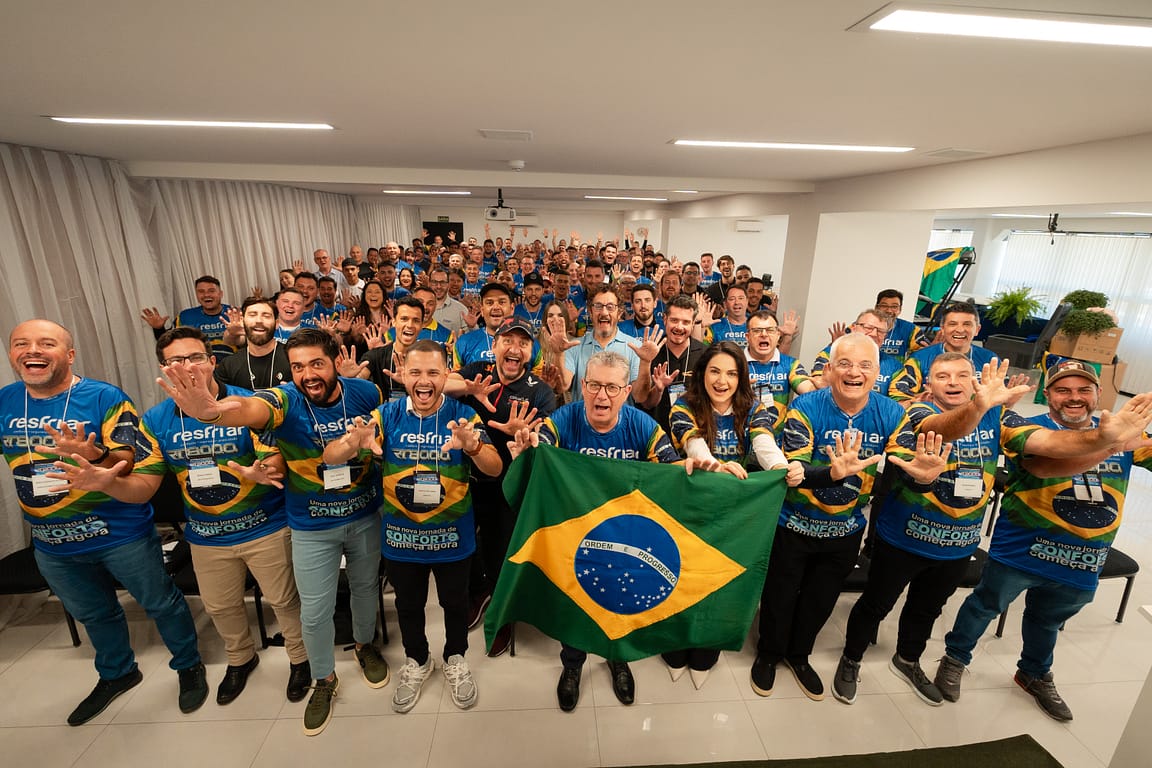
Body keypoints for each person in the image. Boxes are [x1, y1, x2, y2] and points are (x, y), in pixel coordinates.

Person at [56, 327, 310, 706]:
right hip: (206, 535)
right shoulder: (156, 421)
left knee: (285, 602)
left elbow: (273, 460)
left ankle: (300, 660)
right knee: (221, 607)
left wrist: (265, 471)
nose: (186, 367)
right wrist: (107, 483)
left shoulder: (244, 404)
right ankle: (240, 659)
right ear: (164, 368)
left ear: (212, 362)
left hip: (264, 527)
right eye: (176, 360)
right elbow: (144, 487)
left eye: (194, 358)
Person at [157, 328, 388, 736]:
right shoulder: (285, 400)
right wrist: (212, 412)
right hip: (311, 526)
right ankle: (324, 678)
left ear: (335, 362)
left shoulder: (366, 393)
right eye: (297, 367)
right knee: (314, 610)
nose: (308, 375)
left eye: (317, 364)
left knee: (366, 589)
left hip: (364, 515)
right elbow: (250, 407)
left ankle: (364, 645)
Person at [1, 319, 206, 725]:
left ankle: (188, 665)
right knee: (95, 614)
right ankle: (117, 673)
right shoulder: (6, 401)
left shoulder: (103, 398)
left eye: (46, 343)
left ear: (69, 355)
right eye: (21, 343)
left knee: (160, 602)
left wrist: (95, 457)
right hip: (52, 542)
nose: (32, 350)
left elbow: (128, 461)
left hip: (119, 534)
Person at [934, 359, 1152, 721]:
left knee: (1048, 620)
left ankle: (1033, 673)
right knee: (985, 605)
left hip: (1083, 556)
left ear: (1099, 393)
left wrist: (1119, 437)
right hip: (1023, 547)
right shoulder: (1025, 427)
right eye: (1063, 390)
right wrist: (1111, 444)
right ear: (1047, 395)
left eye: (1084, 389)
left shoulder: (1123, 432)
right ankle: (955, 659)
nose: (1074, 397)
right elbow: (1042, 463)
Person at [506, 351, 721, 711]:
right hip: (574, 536)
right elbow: (538, 453)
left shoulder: (643, 426)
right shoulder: (563, 419)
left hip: (626, 538)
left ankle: (617, 659)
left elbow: (671, 471)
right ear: (583, 385)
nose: (601, 395)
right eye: (593, 385)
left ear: (626, 391)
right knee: (575, 604)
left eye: (611, 387)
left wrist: (697, 470)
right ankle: (572, 665)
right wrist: (523, 453)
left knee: (619, 603)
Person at [751, 332, 948, 701]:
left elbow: (909, 469)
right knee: (779, 596)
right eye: (844, 363)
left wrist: (924, 478)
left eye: (864, 365)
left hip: (846, 531)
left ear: (877, 372)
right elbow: (795, 471)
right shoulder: (806, 406)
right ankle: (769, 654)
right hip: (793, 524)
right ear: (829, 369)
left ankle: (799, 655)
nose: (854, 372)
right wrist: (832, 473)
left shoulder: (892, 413)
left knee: (820, 600)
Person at [324, 339, 501, 713]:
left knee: (455, 604)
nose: (424, 380)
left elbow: (495, 467)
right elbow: (331, 456)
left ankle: (455, 658)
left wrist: (472, 447)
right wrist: (352, 443)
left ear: (446, 376)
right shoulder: (386, 415)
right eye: (416, 372)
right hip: (401, 538)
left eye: (433, 372)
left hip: (453, 537)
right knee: (408, 605)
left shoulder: (462, 416)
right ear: (403, 373)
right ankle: (418, 660)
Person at [664, 342, 802, 687]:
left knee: (718, 580)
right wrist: (716, 465)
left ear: (741, 378)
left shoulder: (754, 408)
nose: (722, 381)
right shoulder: (683, 405)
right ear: (702, 374)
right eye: (714, 371)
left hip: (731, 514)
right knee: (682, 576)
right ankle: (675, 645)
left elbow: (764, 443)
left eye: (731, 373)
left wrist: (783, 468)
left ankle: (706, 648)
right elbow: (694, 446)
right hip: (688, 509)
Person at [448, 317, 558, 657]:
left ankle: (501, 612)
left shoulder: (539, 391)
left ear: (531, 352)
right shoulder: (477, 372)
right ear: (494, 346)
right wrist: (470, 390)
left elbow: (547, 438)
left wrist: (522, 434)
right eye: (507, 341)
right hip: (463, 478)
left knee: (500, 551)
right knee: (463, 546)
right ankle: (479, 593)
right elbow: (441, 383)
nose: (514, 348)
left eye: (523, 343)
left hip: (509, 485)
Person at [558, 285, 657, 405]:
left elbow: (640, 397)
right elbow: (562, 386)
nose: (604, 312)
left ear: (619, 313)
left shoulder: (635, 347)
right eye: (598, 306)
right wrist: (558, 353)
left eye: (610, 307)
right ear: (590, 312)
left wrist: (646, 362)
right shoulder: (574, 347)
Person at [890, 302, 996, 402]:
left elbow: (1000, 399)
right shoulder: (919, 358)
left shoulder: (990, 360)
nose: (960, 330)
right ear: (943, 329)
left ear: (977, 329)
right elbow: (899, 398)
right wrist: (929, 397)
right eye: (952, 324)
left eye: (967, 324)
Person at [640, 295, 706, 434]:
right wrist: (658, 389)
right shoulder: (651, 352)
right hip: (658, 433)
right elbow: (646, 403)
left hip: (695, 433)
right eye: (674, 320)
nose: (679, 327)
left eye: (686, 322)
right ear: (665, 319)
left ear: (693, 324)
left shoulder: (705, 354)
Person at [745, 311, 814, 433]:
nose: (764, 334)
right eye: (757, 330)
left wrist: (825, 384)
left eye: (770, 330)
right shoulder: (734, 363)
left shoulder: (790, 364)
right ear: (747, 337)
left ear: (778, 335)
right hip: (743, 437)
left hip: (778, 438)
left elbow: (808, 390)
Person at [141, 275, 243, 358]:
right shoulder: (185, 316)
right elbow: (169, 343)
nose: (206, 295)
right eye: (201, 291)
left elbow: (248, 342)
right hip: (199, 367)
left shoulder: (236, 313)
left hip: (234, 365)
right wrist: (158, 329)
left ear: (220, 294)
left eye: (211, 291)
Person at [811, 309, 903, 394]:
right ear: (854, 328)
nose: (874, 334)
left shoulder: (895, 366)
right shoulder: (828, 354)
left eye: (881, 331)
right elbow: (816, 386)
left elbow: (899, 401)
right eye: (868, 327)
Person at [216, 297, 292, 390]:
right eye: (252, 315)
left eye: (266, 316)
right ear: (242, 321)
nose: (259, 320)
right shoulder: (228, 365)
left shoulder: (292, 358)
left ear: (276, 323)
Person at [874, 289, 930, 361]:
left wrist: (934, 349)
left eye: (894, 307)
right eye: (884, 306)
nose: (889, 310)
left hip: (898, 368)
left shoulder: (911, 329)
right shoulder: (864, 326)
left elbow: (924, 354)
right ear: (876, 307)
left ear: (900, 309)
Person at [429, 267, 470, 335]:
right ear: (429, 283)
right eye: (434, 282)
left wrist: (472, 326)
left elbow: (471, 338)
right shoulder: (419, 307)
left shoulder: (461, 310)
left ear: (448, 284)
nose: (438, 286)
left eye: (442, 282)